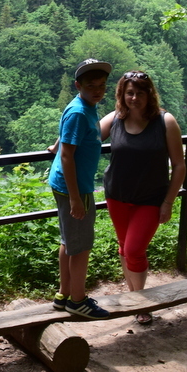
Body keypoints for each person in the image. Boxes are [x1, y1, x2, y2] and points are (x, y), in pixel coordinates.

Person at [100, 70, 186, 325]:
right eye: (129, 93)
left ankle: (141, 303)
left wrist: (168, 202)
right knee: (124, 246)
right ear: (122, 95)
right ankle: (135, 297)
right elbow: (82, 135)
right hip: (117, 196)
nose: (134, 98)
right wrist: (59, 144)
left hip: (150, 199)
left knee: (134, 249)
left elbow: (179, 166)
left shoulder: (165, 121)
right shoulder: (115, 118)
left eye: (139, 92)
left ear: (150, 94)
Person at [47, 58, 112, 319]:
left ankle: (64, 294)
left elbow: (67, 137)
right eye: (91, 86)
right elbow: (67, 156)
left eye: (102, 85)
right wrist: (76, 198)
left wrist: (55, 143)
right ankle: (78, 301)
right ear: (78, 85)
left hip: (68, 185)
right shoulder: (79, 111)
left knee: (68, 241)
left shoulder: (85, 106)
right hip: (75, 188)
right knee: (81, 247)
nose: (97, 90)